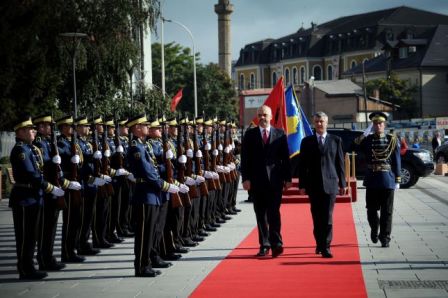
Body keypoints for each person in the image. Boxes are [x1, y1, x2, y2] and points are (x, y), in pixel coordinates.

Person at [9, 116, 65, 279]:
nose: (33, 131)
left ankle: (29, 267)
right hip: (25, 198)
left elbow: (39, 169)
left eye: (33, 129)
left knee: (32, 236)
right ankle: (25, 269)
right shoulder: (20, 150)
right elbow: (31, 174)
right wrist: (49, 187)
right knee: (25, 237)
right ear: (21, 132)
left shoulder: (30, 148)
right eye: (29, 129)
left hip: (34, 197)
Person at [241, 105, 292, 258]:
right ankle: (264, 244)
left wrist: (288, 178)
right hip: (256, 182)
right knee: (261, 214)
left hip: (275, 181)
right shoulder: (250, 135)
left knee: (274, 213)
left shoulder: (280, 134)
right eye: (259, 115)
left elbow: (285, 158)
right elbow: (245, 159)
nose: (262, 118)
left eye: (265, 115)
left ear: (270, 117)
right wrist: (245, 179)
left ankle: (276, 243)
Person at [298, 111, 347, 258]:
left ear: (327, 123)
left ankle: (326, 246)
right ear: (314, 123)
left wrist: (343, 183)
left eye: (322, 121)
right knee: (317, 217)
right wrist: (302, 185)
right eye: (317, 121)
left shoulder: (336, 140)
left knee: (328, 217)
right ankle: (319, 243)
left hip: (330, 184)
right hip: (313, 185)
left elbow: (340, 164)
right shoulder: (306, 141)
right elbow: (302, 165)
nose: (319, 124)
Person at [354, 111, 401, 248]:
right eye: (375, 123)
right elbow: (354, 145)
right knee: (371, 210)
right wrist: (365, 133)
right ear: (372, 125)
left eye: (380, 123)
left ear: (384, 124)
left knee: (387, 211)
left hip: (387, 179)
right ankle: (375, 228)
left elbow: (396, 160)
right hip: (372, 179)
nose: (378, 125)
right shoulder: (367, 140)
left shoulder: (392, 139)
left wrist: (397, 179)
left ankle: (385, 237)